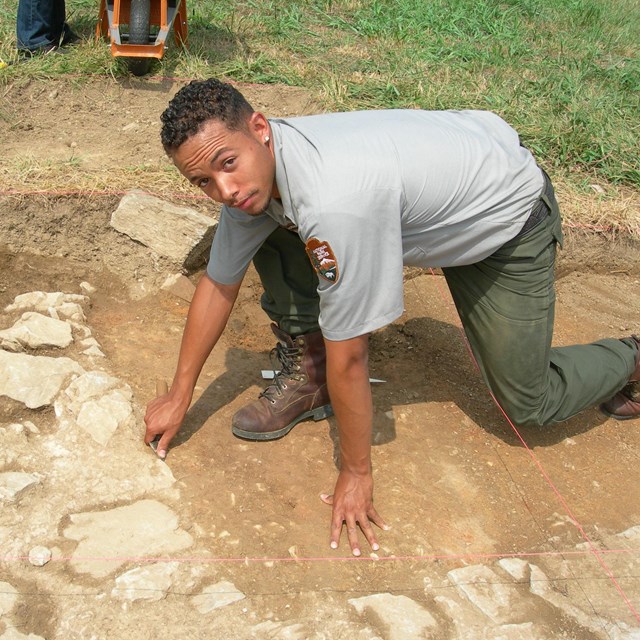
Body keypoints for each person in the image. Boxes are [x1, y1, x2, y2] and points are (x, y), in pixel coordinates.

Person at [144, 78, 640, 557]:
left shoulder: (335, 201)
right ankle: (308, 368)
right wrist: (179, 391)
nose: (225, 190)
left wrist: (356, 472)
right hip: (446, 179)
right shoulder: (257, 169)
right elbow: (219, 283)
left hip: (505, 222)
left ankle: (631, 356)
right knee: (262, 219)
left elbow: (354, 356)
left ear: (259, 127)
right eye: (203, 181)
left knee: (529, 402)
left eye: (227, 166)